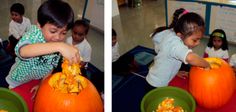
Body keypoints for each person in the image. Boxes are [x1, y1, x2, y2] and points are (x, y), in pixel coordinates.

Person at [5, 0, 79, 97]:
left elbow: (50, 68)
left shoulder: (57, 46)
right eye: (53, 31)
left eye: (63, 33)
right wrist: (60, 46)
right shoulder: (34, 33)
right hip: (17, 79)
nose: (58, 37)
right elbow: (23, 51)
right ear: (39, 25)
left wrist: (41, 85)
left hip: (35, 78)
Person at [146, 10, 211, 91]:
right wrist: (207, 65)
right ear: (180, 36)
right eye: (195, 40)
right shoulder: (174, 43)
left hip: (159, 75)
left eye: (199, 39)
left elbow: (167, 56)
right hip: (157, 84)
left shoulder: (173, 32)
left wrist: (175, 72)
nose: (198, 43)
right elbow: (190, 58)